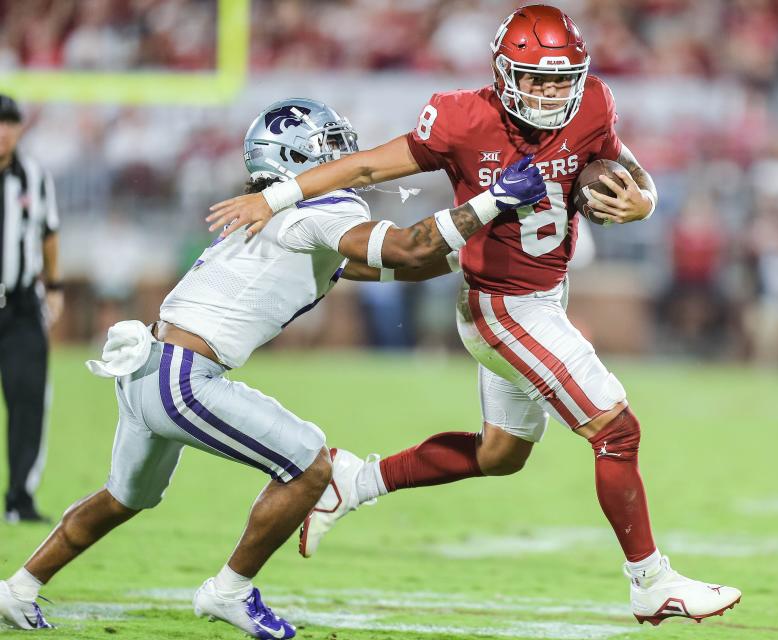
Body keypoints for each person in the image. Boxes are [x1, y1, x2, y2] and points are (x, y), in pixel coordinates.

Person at [208, 5, 741, 626]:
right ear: (504, 73)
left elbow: (628, 166)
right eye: (535, 79)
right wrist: (274, 195)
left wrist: (643, 201)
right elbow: (368, 165)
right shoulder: (463, 117)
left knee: (501, 454)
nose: (548, 92)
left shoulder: (593, 102)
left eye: (560, 78)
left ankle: (353, 481)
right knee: (616, 431)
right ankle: (651, 582)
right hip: (501, 304)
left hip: (547, 295)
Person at [0, 98, 545, 636]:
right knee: (311, 465)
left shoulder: (285, 217)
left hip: (148, 367)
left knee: (124, 498)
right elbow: (404, 248)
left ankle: (18, 588)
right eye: (328, 147)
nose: (345, 155)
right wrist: (493, 200)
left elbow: (404, 266)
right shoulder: (320, 213)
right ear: (289, 160)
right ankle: (229, 591)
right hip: (181, 377)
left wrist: (480, 247)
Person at [0, 94, 63, 524]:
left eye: (10, 123)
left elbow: (49, 233)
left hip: (20, 303)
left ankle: (20, 497)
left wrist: (54, 285)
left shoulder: (35, 177)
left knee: (28, 401)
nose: (3, 132)